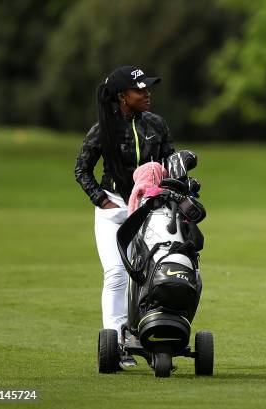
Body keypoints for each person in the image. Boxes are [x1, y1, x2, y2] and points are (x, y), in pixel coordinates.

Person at [75, 66, 174, 368]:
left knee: (155, 274)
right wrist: (101, 199)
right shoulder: (103, 129)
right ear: (122, 97)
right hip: (114, 210)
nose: (147, 94)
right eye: (140, 90)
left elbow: (171, 161)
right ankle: (117, 344)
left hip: (151, 209)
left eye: (147, 88)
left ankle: (153, 334)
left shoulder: (156, 125)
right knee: (117, 274)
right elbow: (82, 170)